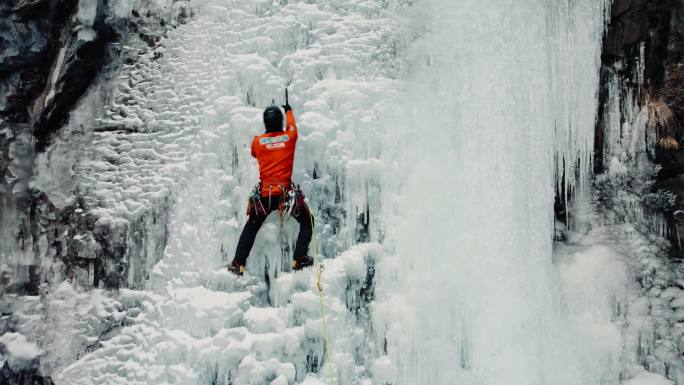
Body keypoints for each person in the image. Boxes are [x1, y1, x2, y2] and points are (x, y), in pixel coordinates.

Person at [228, 102, 315, 276]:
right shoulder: (289, 137)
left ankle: (238, 264)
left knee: (251, 228)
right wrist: (289, 110)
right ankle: (299, 258)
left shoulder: (258, 142)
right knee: (308, 221)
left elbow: (254, 153)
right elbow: (292, 127)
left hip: (264, 197)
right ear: (280, 122)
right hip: (285, 196)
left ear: (266, 123)